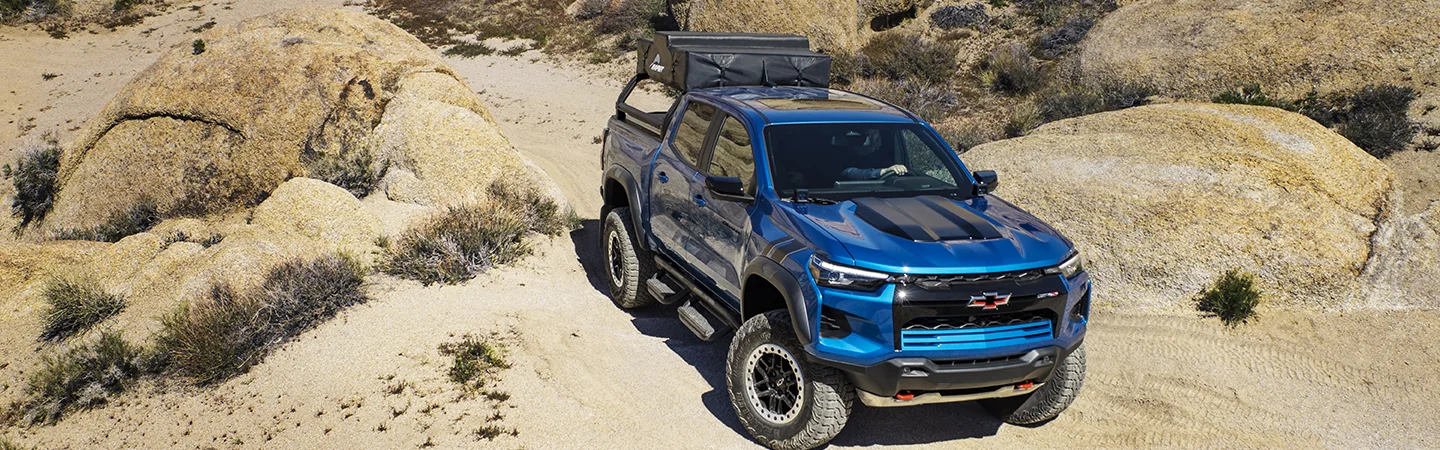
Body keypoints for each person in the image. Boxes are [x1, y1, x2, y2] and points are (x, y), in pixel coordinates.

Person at [838, 128, 907, 181]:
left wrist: (899, 169)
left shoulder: (882, 157)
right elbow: (855, 173)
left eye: (877, 139)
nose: (875, 145)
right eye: (868, 138)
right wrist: (885, 171)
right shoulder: (844, 162)